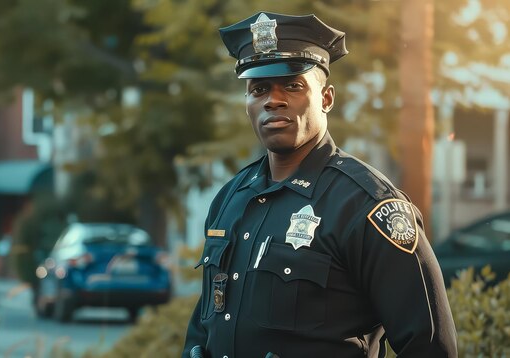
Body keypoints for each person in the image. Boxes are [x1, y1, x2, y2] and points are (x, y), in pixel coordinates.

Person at [182, 11, 457, 358]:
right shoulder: (230, 198)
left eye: (293, 85)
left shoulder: (366, 205)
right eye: (259, 89)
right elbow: (203, 327)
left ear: (326, 98)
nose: (273, 99)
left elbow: (430, 346)